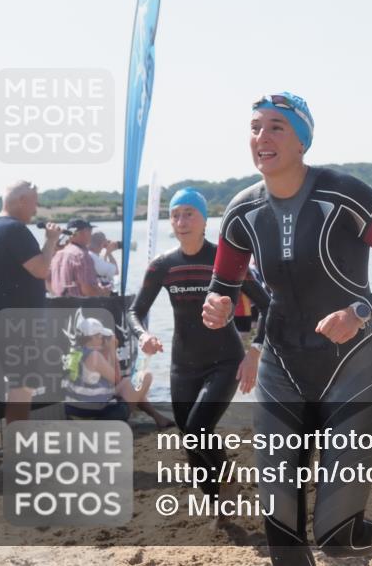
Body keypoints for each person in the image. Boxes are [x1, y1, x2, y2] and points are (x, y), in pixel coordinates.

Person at [202, 92, 372, 565]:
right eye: (255, 127)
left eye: (276, 127)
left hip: (356, 369)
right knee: (281, 534)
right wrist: (217, 307)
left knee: (337, 537)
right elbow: (221, 286)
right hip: (283, 370)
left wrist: (360, 312)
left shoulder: (344, 194)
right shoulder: (241, 211)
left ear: (302, 141)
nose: (261, 137)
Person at [130, 187, 270, 523]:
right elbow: (135, 312)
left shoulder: (225, 260)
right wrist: (143, 336)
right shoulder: (163, 265)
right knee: (192, 440)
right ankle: (219, 505)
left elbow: (268, 305)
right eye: (175, 214)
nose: (181, 220)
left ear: (205, 219)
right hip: (183, 366)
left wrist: (254, 352)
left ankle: (228, 481)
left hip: (224, 361)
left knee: (197, 427)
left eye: (188, 213)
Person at [0, 181, 62, 423]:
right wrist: (51, 240)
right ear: (22, 200)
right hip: (17, 322)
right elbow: (41, 269)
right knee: (21, 389)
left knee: (20, 387)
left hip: (0, 317)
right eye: (34, 203)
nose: (35, 211)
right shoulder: (14, 229)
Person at [64, 315, 152, 420]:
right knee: (146, 376)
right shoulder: (94, 356)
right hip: (90, 414)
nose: (103, 340)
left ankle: (156, 416)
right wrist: (112, 350)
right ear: (93, 338)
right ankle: (123, 422)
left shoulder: (75, 351)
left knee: (128, 381)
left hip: (74, 410)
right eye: (101, 336)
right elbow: (116, 380)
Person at [49, 219, 110, 297]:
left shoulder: (58, 254)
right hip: (79, 307)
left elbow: (48, 281)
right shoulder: (81, 256)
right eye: (89, 230)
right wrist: (103, 291)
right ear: (80, 232)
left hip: (58, 306)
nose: (91, 235)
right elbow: (88, 291)